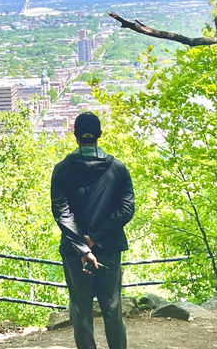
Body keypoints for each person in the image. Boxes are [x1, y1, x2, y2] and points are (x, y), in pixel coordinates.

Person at [51, 112, 135, 349]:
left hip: (74, 252)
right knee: (112, 307)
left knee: (80, 309)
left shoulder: (62, 170)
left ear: (75, 136)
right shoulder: (118, 169)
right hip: (108, 248)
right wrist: (95, 239)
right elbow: (126, 210)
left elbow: (61, 212)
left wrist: (81, 246)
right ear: (100, 134)